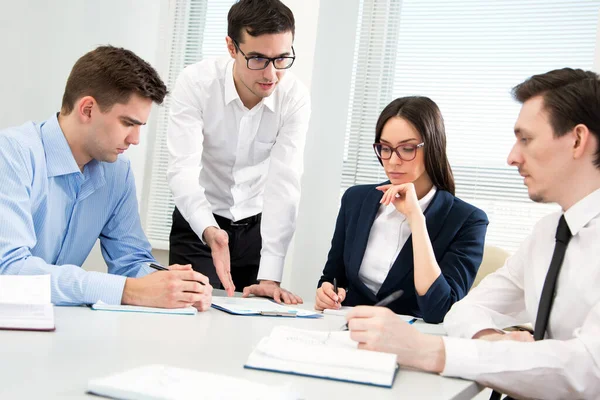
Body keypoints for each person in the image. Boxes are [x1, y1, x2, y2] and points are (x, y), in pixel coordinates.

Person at [346, 68, 600, 399]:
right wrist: (492, 341)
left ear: (577, 140)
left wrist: (430, 351)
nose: (512, 157)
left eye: (526, 139)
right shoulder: (548, 233)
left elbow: (588, 369)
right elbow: (464, 310)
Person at [0, 45, 212, 311]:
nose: (134, 140)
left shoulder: (117, 172)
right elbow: (9, 271)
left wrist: (175, 285)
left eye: (139, 127)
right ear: (87, 109)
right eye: (128, 123)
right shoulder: (11, 154)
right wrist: (127, 290)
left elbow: (131, 261)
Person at [167, 0, 310, 304]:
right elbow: (183, 169)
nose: (271, 74)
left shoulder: (294, 97)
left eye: (282, 58)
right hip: (199, 223)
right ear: (232, 47)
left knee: (251, 323)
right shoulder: (196, 83)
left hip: (256, 228)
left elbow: (284, 182)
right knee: (189, 314)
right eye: (257, 58)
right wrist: (209, 229)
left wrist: (271, 274)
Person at [315, 96, 488, 323]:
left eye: (407, 149)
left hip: (411, 339)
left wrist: (416, 219)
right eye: (385, 148)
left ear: (433, 147)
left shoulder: (467, 221)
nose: (393, 161)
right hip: (347, 330)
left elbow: (440, 311)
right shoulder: (355, 200)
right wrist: (327, 292)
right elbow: (333, 278)